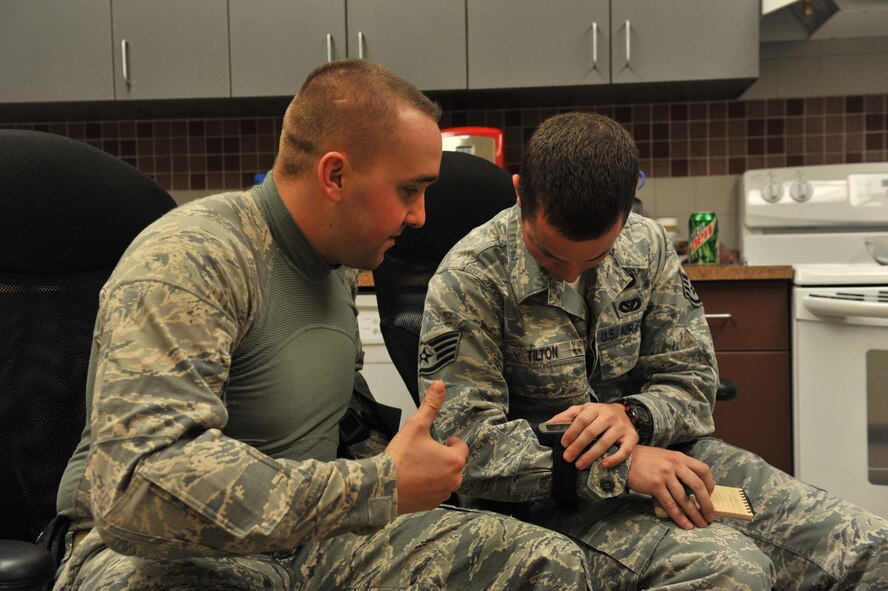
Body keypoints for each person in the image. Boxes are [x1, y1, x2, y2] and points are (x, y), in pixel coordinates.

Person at [52, 59, 593, 590]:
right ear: (335, 175)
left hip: (310, 537)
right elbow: (140, 490)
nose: (421, 216)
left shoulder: (339, 262)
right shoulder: (192, 260)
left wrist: (415, 469)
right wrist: (377, 485)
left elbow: (334, 426)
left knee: (547, 564)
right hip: (159, 553)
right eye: (409, 189)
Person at [419, 111, 888, 590]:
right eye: (550, 256)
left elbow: (692, 382)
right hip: (542, 496)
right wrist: (621, 466)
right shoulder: (469, 279)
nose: (568, 273)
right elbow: (464, 449)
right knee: (731, 570)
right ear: (520, 193)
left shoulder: (648, 245)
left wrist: (634, 417)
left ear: (628, 211)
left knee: (872, 546)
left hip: (669, 457)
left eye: (594, 258)